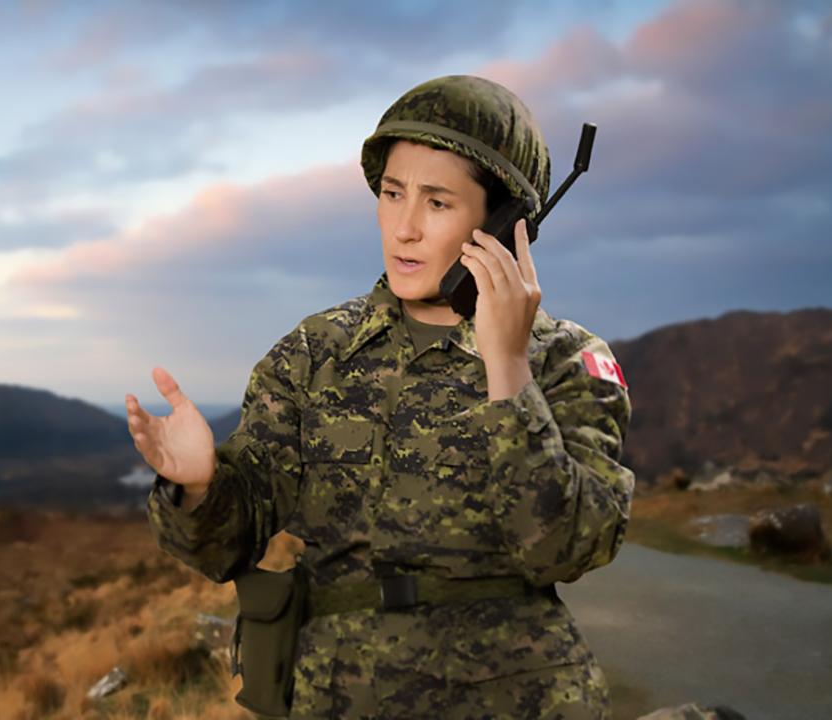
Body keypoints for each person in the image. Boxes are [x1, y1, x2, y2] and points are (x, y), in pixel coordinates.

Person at [125, 75, 634, 720]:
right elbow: (227, 546)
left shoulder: (567, 361)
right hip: (338, 696)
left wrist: (507, 368)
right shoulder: (315, 352)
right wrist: (197, 487)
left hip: (516, 696)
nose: (406, 228)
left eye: (438, 203)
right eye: (393, 194)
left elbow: (567, 547)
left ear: (504, 225)